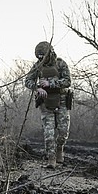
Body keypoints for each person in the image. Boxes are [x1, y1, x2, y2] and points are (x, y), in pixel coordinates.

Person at [24, 41, 72, 169]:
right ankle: (51, 158)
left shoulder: (60, 64)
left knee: (63, 132)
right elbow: (27, 80)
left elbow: (67, 81)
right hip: (46, 101)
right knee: (49, 133)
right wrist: (37, 88)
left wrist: (51, 84)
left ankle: (59, 149)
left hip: (61, 100)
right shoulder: (38, 66)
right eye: (39, 57)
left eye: (43, 56)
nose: (41, 59)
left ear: (49, 53)